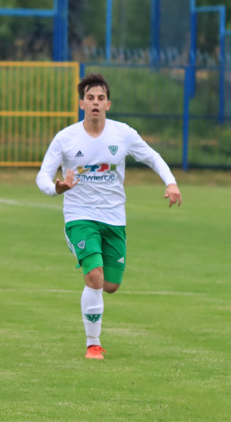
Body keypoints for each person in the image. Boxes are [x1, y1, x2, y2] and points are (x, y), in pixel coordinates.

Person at [35, 72, 182, 360]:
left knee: (110, 286)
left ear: (108, 104)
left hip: (114, 218)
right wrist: (57, 187)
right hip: (79, 217)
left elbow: (152, 156)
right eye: (90, 98)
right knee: (94, 278)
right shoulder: (65, 138)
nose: (95, 103)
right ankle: (93, 344)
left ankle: (95, 313)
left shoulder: (123, 134)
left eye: (101, 98)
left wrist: (171, 182)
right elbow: (42, 175)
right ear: (81, 103)